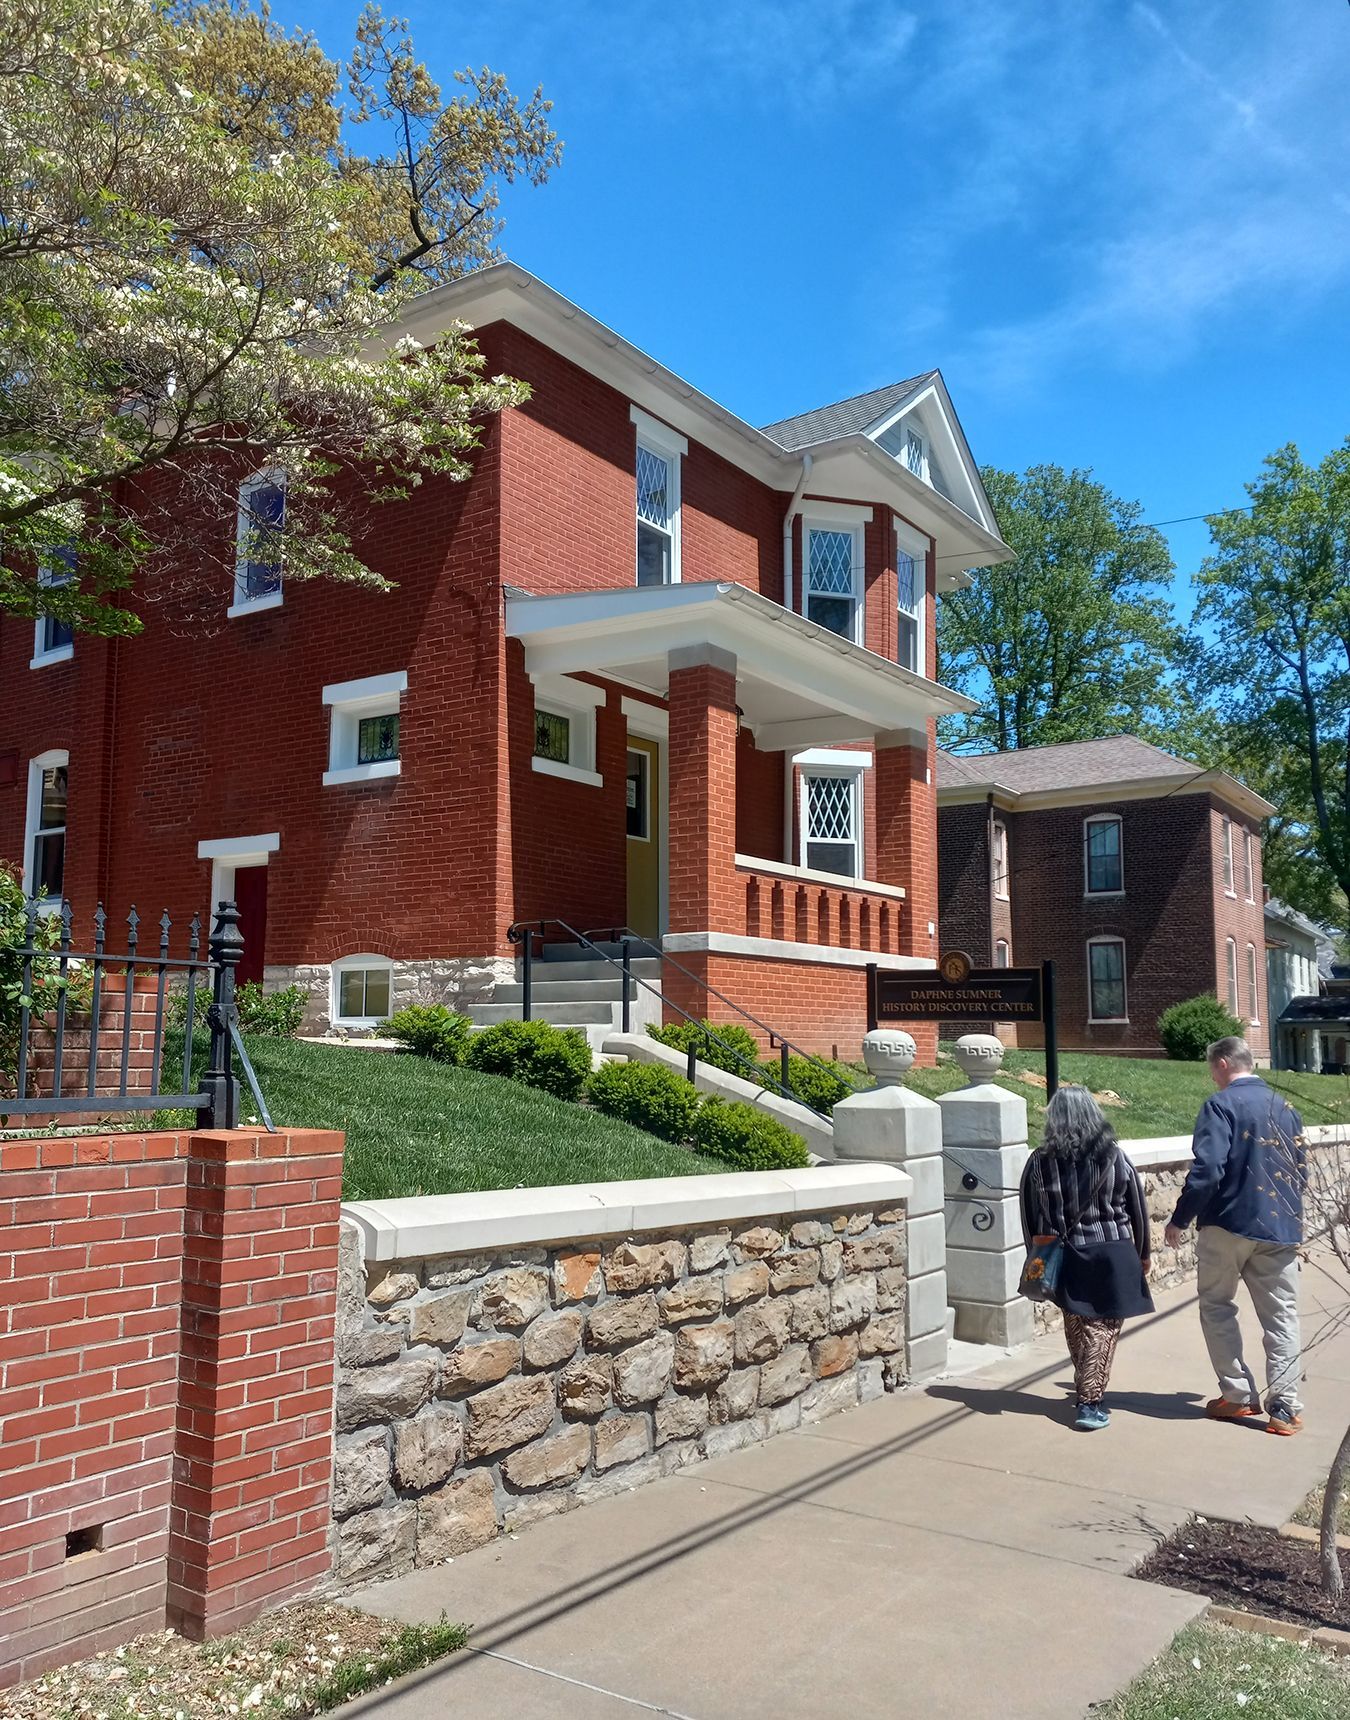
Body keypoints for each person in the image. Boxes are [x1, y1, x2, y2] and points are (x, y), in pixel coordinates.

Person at [1164, 1035, 1306, 1435]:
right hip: (1279, 1226)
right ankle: (1285, 1409)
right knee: (1281, 1317)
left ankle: (1238, 1396)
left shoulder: (1220, 1104)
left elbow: (1208, 1169)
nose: (1212, 1075)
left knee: (1217, 1306)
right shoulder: (1285, 1106)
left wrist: (1180, 1218)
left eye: (1212, 1067)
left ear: (1223, 1063)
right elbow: (1300, 1167)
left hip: (1227, 1224)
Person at [1020, 1085, 1153, 1431]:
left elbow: (1030, 1214)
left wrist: (1036, 1256)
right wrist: (1143, 1253)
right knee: (1103, 1327)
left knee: (1077, 1321)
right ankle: (1090, 1401)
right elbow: (1136, 1206)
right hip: (1111, 1251)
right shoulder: (1114, 1157)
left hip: (1062, 1252)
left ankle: (1087, 1388)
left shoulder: (1038, 1161)